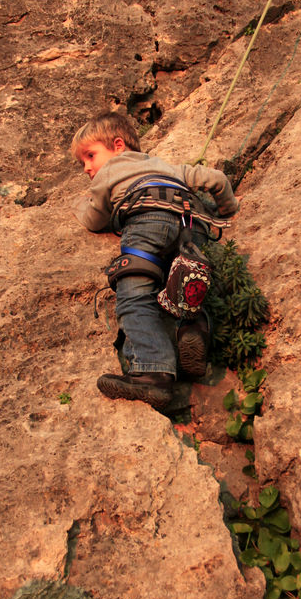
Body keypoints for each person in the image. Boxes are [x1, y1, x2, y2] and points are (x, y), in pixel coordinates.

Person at [72, 112, 239, 410]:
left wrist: (79, 204)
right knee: (185, 283)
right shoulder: (165, 166)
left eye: (90, 156)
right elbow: (216, 179)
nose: (87, 167)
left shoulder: (110, 171)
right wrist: (226, 209)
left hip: (147, 220)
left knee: (135, 294)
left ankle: (152, 371)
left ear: (118, 145)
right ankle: (192, 328)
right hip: (192, 225)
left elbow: (94, 218)